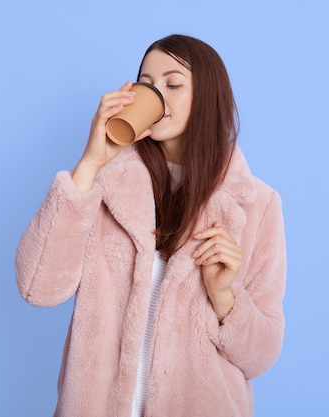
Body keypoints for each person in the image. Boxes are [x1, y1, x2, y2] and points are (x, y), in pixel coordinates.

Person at [15, 34, 287, 417]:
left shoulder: (258, 204)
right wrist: (91, 163)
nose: (156, 94)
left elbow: (262, 355)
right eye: (146, 83)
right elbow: (37, 287)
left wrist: (224, 297)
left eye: (173, 84)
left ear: (208, 98)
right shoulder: (104, 183)